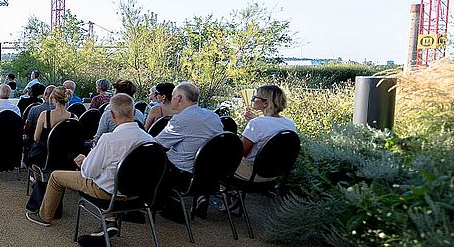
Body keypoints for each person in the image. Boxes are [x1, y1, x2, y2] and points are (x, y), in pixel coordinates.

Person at [26, 94, 150, 233]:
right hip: (138, 193)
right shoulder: (149, 139)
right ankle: (110, 220)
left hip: (107, 191)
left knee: (55, 177)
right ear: (133, 112)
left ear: (112, 115)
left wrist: (84, 161)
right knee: (108, 173)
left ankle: (44, 216)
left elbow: (89, 173)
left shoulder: (109, 139)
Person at [153, 82, 224, 219]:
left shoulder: (181, 120)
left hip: (182, 175)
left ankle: (141, 205)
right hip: (210, 174)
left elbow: (157, 146)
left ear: (179, 98)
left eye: (173, 96)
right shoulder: (213, 117)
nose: (172, 99)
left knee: (148, 158)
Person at [237, 85, 296, 182]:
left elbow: (241, 152)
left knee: (215, 156)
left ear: (265, 103)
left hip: (252, 173)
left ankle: (205, 193)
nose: (252, 100)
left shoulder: (257, 123)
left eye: (255, 98)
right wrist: (254, 120)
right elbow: (267, 127)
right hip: (273, 174)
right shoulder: (290, 123)